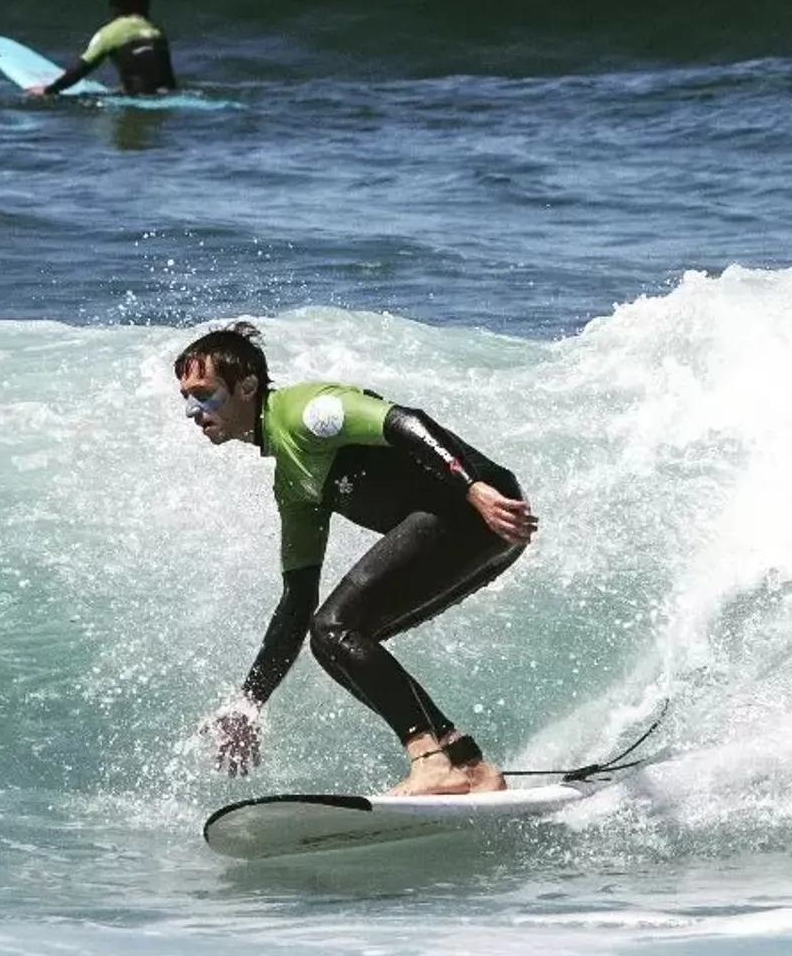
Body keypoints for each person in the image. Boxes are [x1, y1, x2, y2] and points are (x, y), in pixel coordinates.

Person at [174, 321, 538, 796]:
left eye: (205, 394)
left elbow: (407, 421)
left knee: (334, 630)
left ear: (246, 386)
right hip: (473, 529)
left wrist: (474, 488)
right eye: (186, 398)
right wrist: (250, 702)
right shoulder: (293, 481)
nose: (193, 411)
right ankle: (466, 763)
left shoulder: (305, 413)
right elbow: (297, 600)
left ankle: (429, 764)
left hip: (476, 507)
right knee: (339, 642)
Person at [27, 0, 177, 97]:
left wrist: (49, 90)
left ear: (114, 3)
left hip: (139, 98)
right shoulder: (156, 31)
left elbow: (80, 71)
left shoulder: (109, 33)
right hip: (170, 94)